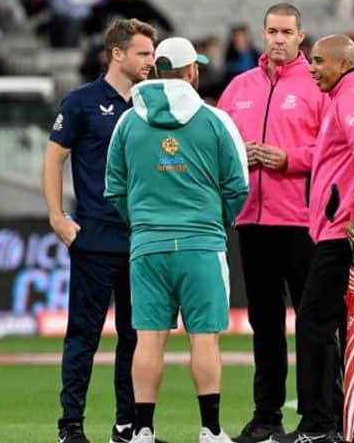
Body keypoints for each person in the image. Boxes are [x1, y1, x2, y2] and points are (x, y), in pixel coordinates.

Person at [104, 36, 249, 443]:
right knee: (204, 338)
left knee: (148, 340)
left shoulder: (128, 121)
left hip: (148, 245)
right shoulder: (214, 119)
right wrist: (214, 223)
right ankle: (210, 430)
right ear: (191, 72)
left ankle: (143, 431)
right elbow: (238, 187)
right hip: (202, 244)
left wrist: (144, 223)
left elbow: (114, 188)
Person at [272, 35, 354, 443]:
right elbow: (339, 158)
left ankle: (318, 425)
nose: (311, 68)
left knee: (314, 322)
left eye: (319, 61)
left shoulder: (351, 99)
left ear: (343, 63)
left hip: (348, 232)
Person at [216, 3, 328, 443]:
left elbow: (335, 150)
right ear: (263, 34)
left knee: (313, 323)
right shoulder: (238, 88)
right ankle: (267, 418)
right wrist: (234, 159)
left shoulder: (319, 86)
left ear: (301, 36)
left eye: (287, 31)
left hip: (303, 221)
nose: (278, 39)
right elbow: (217, 146)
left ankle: (320, 419)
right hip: (252, 221)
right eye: (272, 31)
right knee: (264, 324)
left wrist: (289, 159)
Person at [42, 18, 156, 443]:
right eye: (143, 53)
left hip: (143, 240)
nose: (150, 61)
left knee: (136, 338)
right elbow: (54, 158)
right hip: (95, 238)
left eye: (152, 54)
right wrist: (57, 218)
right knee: (83, 336)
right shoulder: (82, 102)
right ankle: (70, 425)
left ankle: (128, 427)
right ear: (118, 53)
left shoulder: (153, 102)